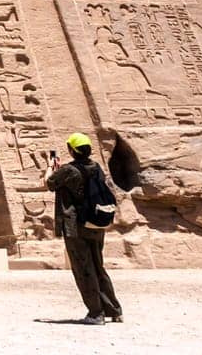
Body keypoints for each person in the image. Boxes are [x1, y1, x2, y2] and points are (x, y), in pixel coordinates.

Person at [46, 133, 122, 325]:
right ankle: (114, 309)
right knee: (98, 266)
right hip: (96, 223)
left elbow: (49, 183)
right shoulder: (96, 167)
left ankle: (96, 313)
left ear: (72, 150)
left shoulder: (68, 170)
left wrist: (50, 168)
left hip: (76, 227)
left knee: (83, 269)